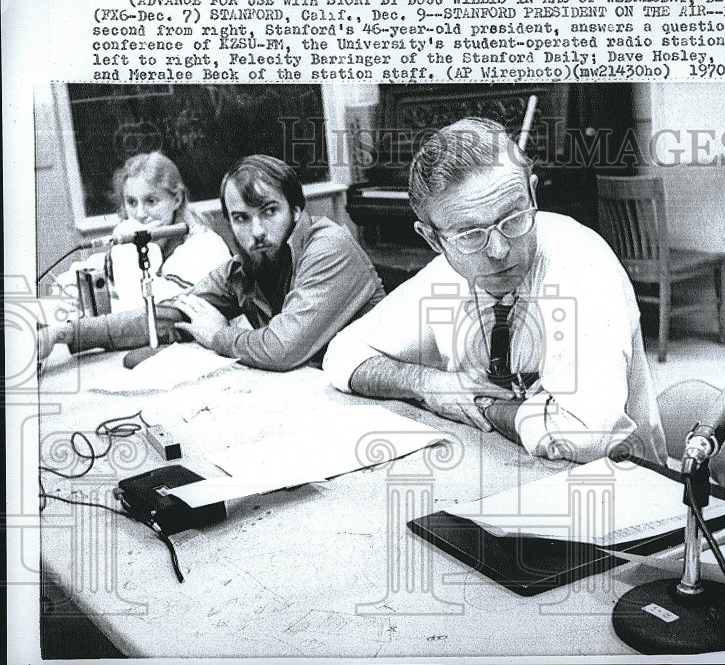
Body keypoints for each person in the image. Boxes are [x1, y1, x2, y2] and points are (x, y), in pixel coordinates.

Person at [324, 118, 665, 464]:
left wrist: (483, 405)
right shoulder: (444, 275)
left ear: (532, 192)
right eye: (470, 235)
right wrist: (427, 383)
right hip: (507, 467)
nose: (499, 250)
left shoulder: (583, 265)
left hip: (621, 487)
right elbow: (341, 355)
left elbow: (587, 436)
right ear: (433, 240)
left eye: (513, 218)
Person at [39, 154, 386, 371]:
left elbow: (283, 349)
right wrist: (63, 333)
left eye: (269, 211)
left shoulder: (329, 246)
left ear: (296, 210)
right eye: (241, 218)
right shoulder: (246, 267)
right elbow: (167, 314)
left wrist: (217, 335)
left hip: (393, 401)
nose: (257, 231)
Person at [50, 151, 232, 312]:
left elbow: (143, 310)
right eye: (131, 202)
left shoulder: (204, 245)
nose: (140, 214)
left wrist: (133, 246)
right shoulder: (154, 242)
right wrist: (78, 294)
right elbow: (67, 282)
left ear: (176, 200)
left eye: (151, 201)